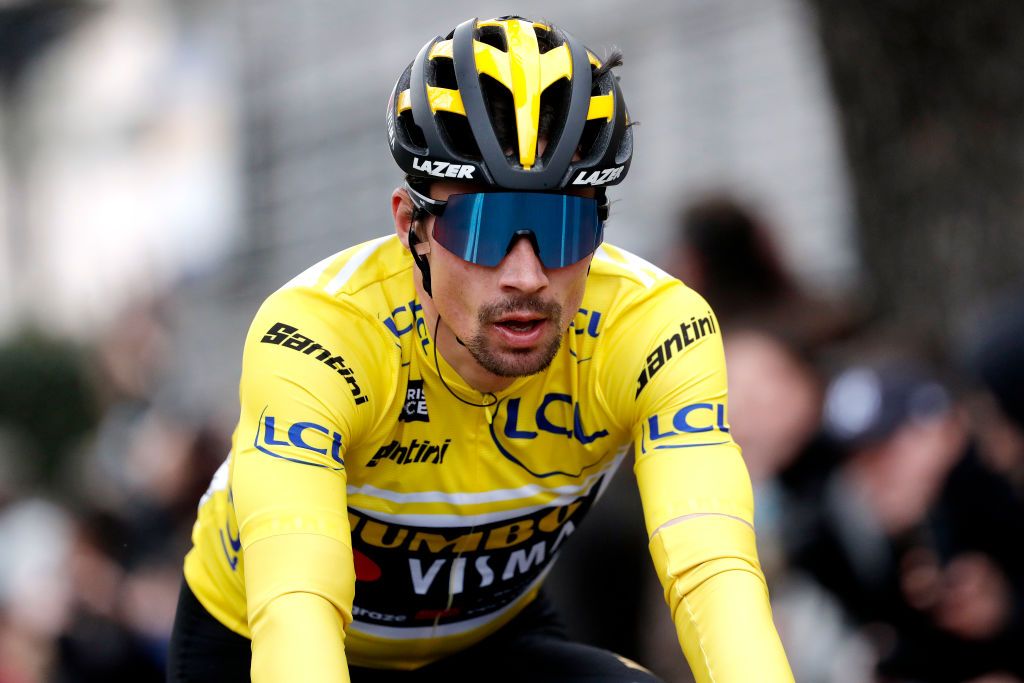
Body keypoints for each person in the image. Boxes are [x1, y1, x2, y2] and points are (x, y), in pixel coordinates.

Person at [167, 15, 794, 683]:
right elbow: (295, 605)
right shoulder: (321, 335)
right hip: (260, 639)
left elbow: (713, 569)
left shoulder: (653, 328)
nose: (525, 276)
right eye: (484, 227)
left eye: (562, 226)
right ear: (411, 227)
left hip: (486, 641)